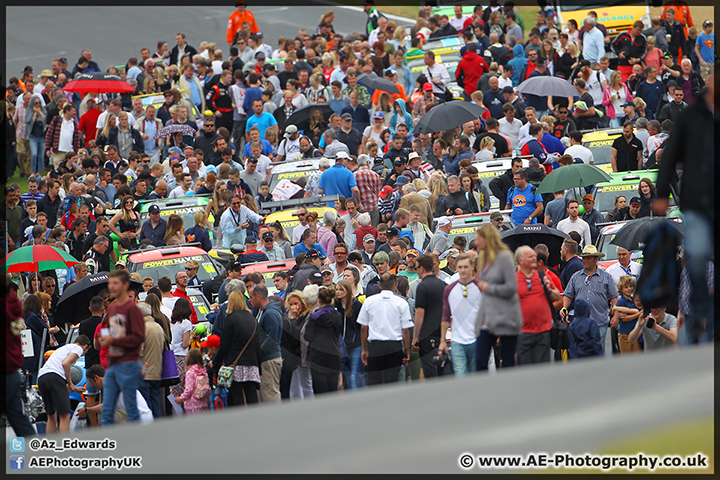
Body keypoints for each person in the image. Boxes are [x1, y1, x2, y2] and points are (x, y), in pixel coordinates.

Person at [655, 71, 714, 341]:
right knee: (699, 252)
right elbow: (669, 157)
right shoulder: (690, 117)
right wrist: (661, 194)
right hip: (697, 201)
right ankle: (700, 306)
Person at [474, 225, 521, 371]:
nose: (476, 242)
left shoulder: (504, 257)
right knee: (480, 360)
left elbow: (511, 287)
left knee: (507, 362)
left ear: (487, 239)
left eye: (478, 239)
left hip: (505, 316)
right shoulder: (482, 259)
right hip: (487, 317)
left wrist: (488, 287)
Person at [561, 245, 618, 354]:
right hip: (580, 323)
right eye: (584, 258)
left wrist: (615, 316)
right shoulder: (575, 277)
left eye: (588, 258)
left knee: (598, 350)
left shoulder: (606, 277)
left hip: (600, 322)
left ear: (595, 259)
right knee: (580, 351)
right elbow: (568, 295)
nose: (585, 261)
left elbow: (614, 298)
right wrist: (564, 308)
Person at [357, 273, 412, 386]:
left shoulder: (369, 302)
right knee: (392, 381)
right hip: (394, 346)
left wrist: (364, 349)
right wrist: (406, 350)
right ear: (394, 285)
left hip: (375, 346)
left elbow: (363, 328)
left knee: (374, 382)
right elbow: (405, 330)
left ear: (380, 286)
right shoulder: (401, 303)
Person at [212, 290, 263, 407]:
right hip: (251, 362)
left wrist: (216, 362)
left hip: (235, 363)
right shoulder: (252, 319)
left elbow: (225, 344)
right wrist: (259, 366)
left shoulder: (230, 319)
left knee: (237, 394)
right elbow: (257, 345)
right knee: (251, 393)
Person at [514, 246, 561, 365]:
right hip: (523, 333)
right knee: (526, 370)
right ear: (520, 261)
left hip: (543, 332)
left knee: (543, 369)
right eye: (530, 257)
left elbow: (558, 297)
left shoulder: (542, 276)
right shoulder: (513, 280)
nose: (534, 259)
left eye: (534, 256)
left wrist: (549, 289)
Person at [37, 335, 90, 433]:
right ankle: (64, 444)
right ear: (85, 346)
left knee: (51, 415)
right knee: (65, 416)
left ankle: (50, 444)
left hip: (42, 378)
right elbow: (66, 364)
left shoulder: (63, 348)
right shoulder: (78, 348)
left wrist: (74, 388)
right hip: (55, 377)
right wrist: (71, 384)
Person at [410, 254, 447, 379]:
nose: (416, 271)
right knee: (441, 369)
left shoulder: (423, 286)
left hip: (426, 335)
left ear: (422, 268)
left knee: (429, 371)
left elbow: (420, 313)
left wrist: (415, 337)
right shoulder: (443, 285)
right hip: (441, 333)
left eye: (416, 268)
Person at [302, 286, 343, 395]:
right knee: (333, 389)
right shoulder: (338, 316)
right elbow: (339, 332)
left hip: (317, 356)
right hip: (333, 354)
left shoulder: (313, 317)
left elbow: (307, 336)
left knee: (320, 391)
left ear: (318, 300)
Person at [250, 285, 284, 403]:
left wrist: (258, 352)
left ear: (258, 297)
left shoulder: (270, 313)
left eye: (251, 297)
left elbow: (272, 338)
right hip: (269, 359)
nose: (250, 300)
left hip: (269, 360)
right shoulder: (267, 312)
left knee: (270, 395)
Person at [610, 276, 643, 354]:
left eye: (631, 286)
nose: (629, 289)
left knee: (636, 356)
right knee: (626, 357)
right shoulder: (621, 301)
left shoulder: (633, 300)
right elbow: (624, 318)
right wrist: (639, 313)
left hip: (635, 332)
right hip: (625, 334)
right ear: (621, 289)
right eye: (626, 287)